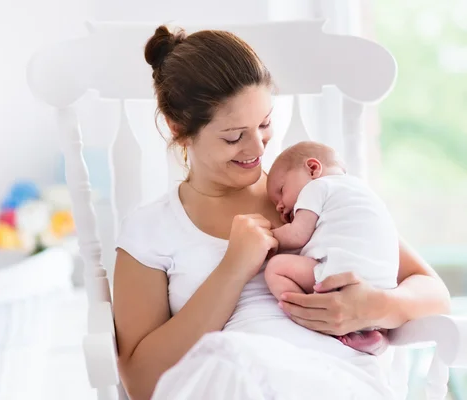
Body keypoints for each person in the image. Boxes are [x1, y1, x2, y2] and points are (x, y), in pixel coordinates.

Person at [113, 25, 450, 400]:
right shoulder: (150, 230)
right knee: (233, 364)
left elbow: (433, 292)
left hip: (337, 379)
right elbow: (142, 384)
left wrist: (377, 305)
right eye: (233, 136)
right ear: (179, 129)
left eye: (265, 123)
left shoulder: (314, 194)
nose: (257, 146)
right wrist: (233, 269)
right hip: (230, 382)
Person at [265, 141, 399, 356]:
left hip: (339, 279)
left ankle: (309, 313)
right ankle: (377, 336)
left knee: (276, 267)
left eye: (281, 191)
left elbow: (297, 235)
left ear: (312, 168)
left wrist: (266, 236)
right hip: (381, 288)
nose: (279, 205)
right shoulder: (363, 191)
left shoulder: (316, 187)